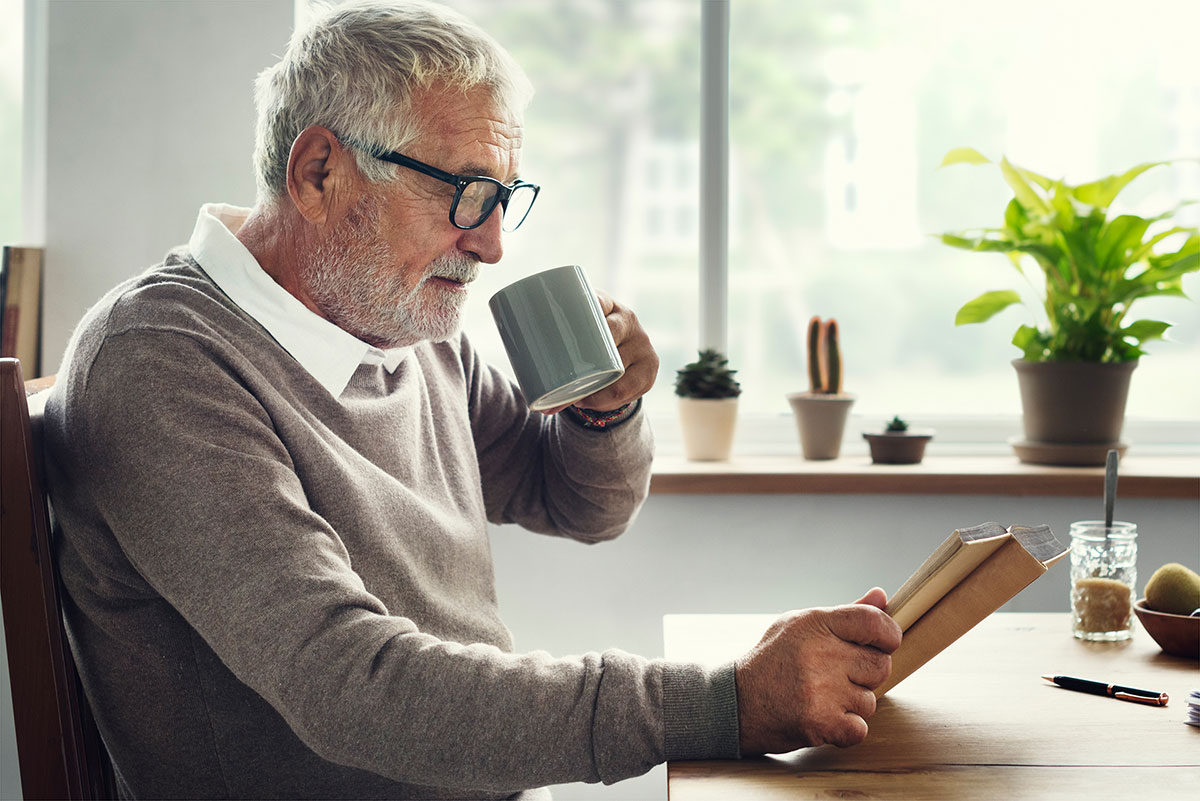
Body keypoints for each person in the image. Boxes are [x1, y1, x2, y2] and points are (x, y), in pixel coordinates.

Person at [43, 2, 901, 798]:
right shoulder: (160, 360)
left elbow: (577, 501)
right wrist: (729, 702)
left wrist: (603, 410)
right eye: (465, 193)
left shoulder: (400, 322)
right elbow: (353, 687)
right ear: (318, 171)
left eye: (504, 199)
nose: (490, 244)